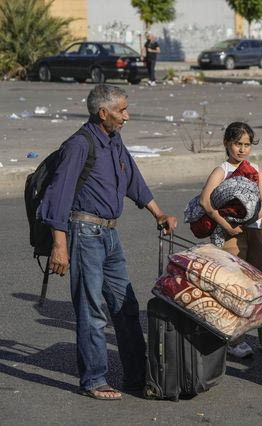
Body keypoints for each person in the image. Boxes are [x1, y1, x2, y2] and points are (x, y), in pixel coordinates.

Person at [40, 84, 178, 400]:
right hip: (83, 234)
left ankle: (137, 376)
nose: (126, 116)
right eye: (121, 110)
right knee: (91, 310)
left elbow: (132, 178)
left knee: (126, 306)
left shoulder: (114, 140)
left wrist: (157, 213)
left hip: (110, 235)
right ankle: (94, 379)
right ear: (103, 113)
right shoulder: (79, 145)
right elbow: (57, 197)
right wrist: (59, 245)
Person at [199, 122, 262, 358]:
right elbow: (205, 202)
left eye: (246, 145)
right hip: (233, 234)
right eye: (237, 144)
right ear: (226, 144)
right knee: (235, 288)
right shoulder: (222, 170)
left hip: (256, 231)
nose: (242, 149)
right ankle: (234, 341)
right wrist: (227, 226)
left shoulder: (254, 168)